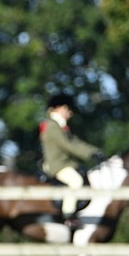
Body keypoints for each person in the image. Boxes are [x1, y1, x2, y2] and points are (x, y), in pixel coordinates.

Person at [39, 93, 104, 227]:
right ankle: (68, 216)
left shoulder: (60, 126)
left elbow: (76, 142)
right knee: (76, 181)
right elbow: (68, 145)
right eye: (68, 109)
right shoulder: (52, 126)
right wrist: (90, 154)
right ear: (60, 108)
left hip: (64, 163)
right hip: (57, 164)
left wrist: (94, 151)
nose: (70, 113)